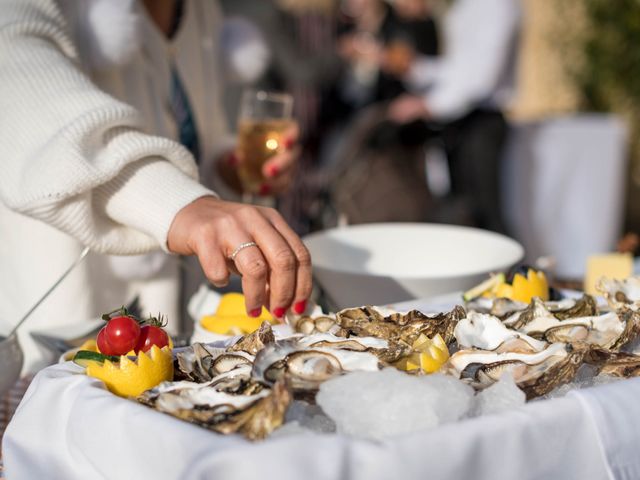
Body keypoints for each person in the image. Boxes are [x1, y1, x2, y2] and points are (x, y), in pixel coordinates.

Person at [0, 0, 311, 371]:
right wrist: (179, 205)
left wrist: (227, 167)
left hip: (169, 322)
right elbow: (16, 80)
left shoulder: (199, 11)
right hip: (63, 323)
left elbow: (196, 136)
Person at [388, 0, 522, 233]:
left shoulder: (499, 5)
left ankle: (510, 270)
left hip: (484, 122)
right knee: (464, 213)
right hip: (458, 122)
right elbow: (457, 70)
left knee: (488, 213)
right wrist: (416, 68)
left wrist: (429, 104)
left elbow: (482, 78)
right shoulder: (462, 8)